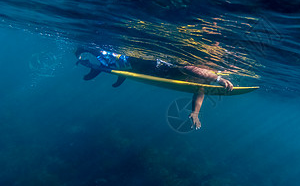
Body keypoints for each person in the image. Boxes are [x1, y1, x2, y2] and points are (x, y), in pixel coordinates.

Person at [75, 48, 233, 130]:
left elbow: (200, 90)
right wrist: (218, 79)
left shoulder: (205, 77)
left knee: (120, 66)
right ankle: (87, 49)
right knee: (116, 60)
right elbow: (189, 67)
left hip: (147, 70)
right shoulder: (203, 70)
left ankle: (108, 70)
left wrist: (195, 112)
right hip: (151, 64)